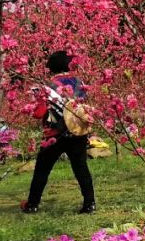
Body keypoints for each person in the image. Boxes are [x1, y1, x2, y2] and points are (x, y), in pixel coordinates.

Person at [21, 51, 96, 214]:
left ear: (51, 67)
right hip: (77, 133)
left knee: (42, 170)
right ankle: (89, 204)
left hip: (54, 135)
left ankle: (32, 204)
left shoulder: (45, 86)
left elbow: (38, 113)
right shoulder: (80, 83)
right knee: (81, 168)